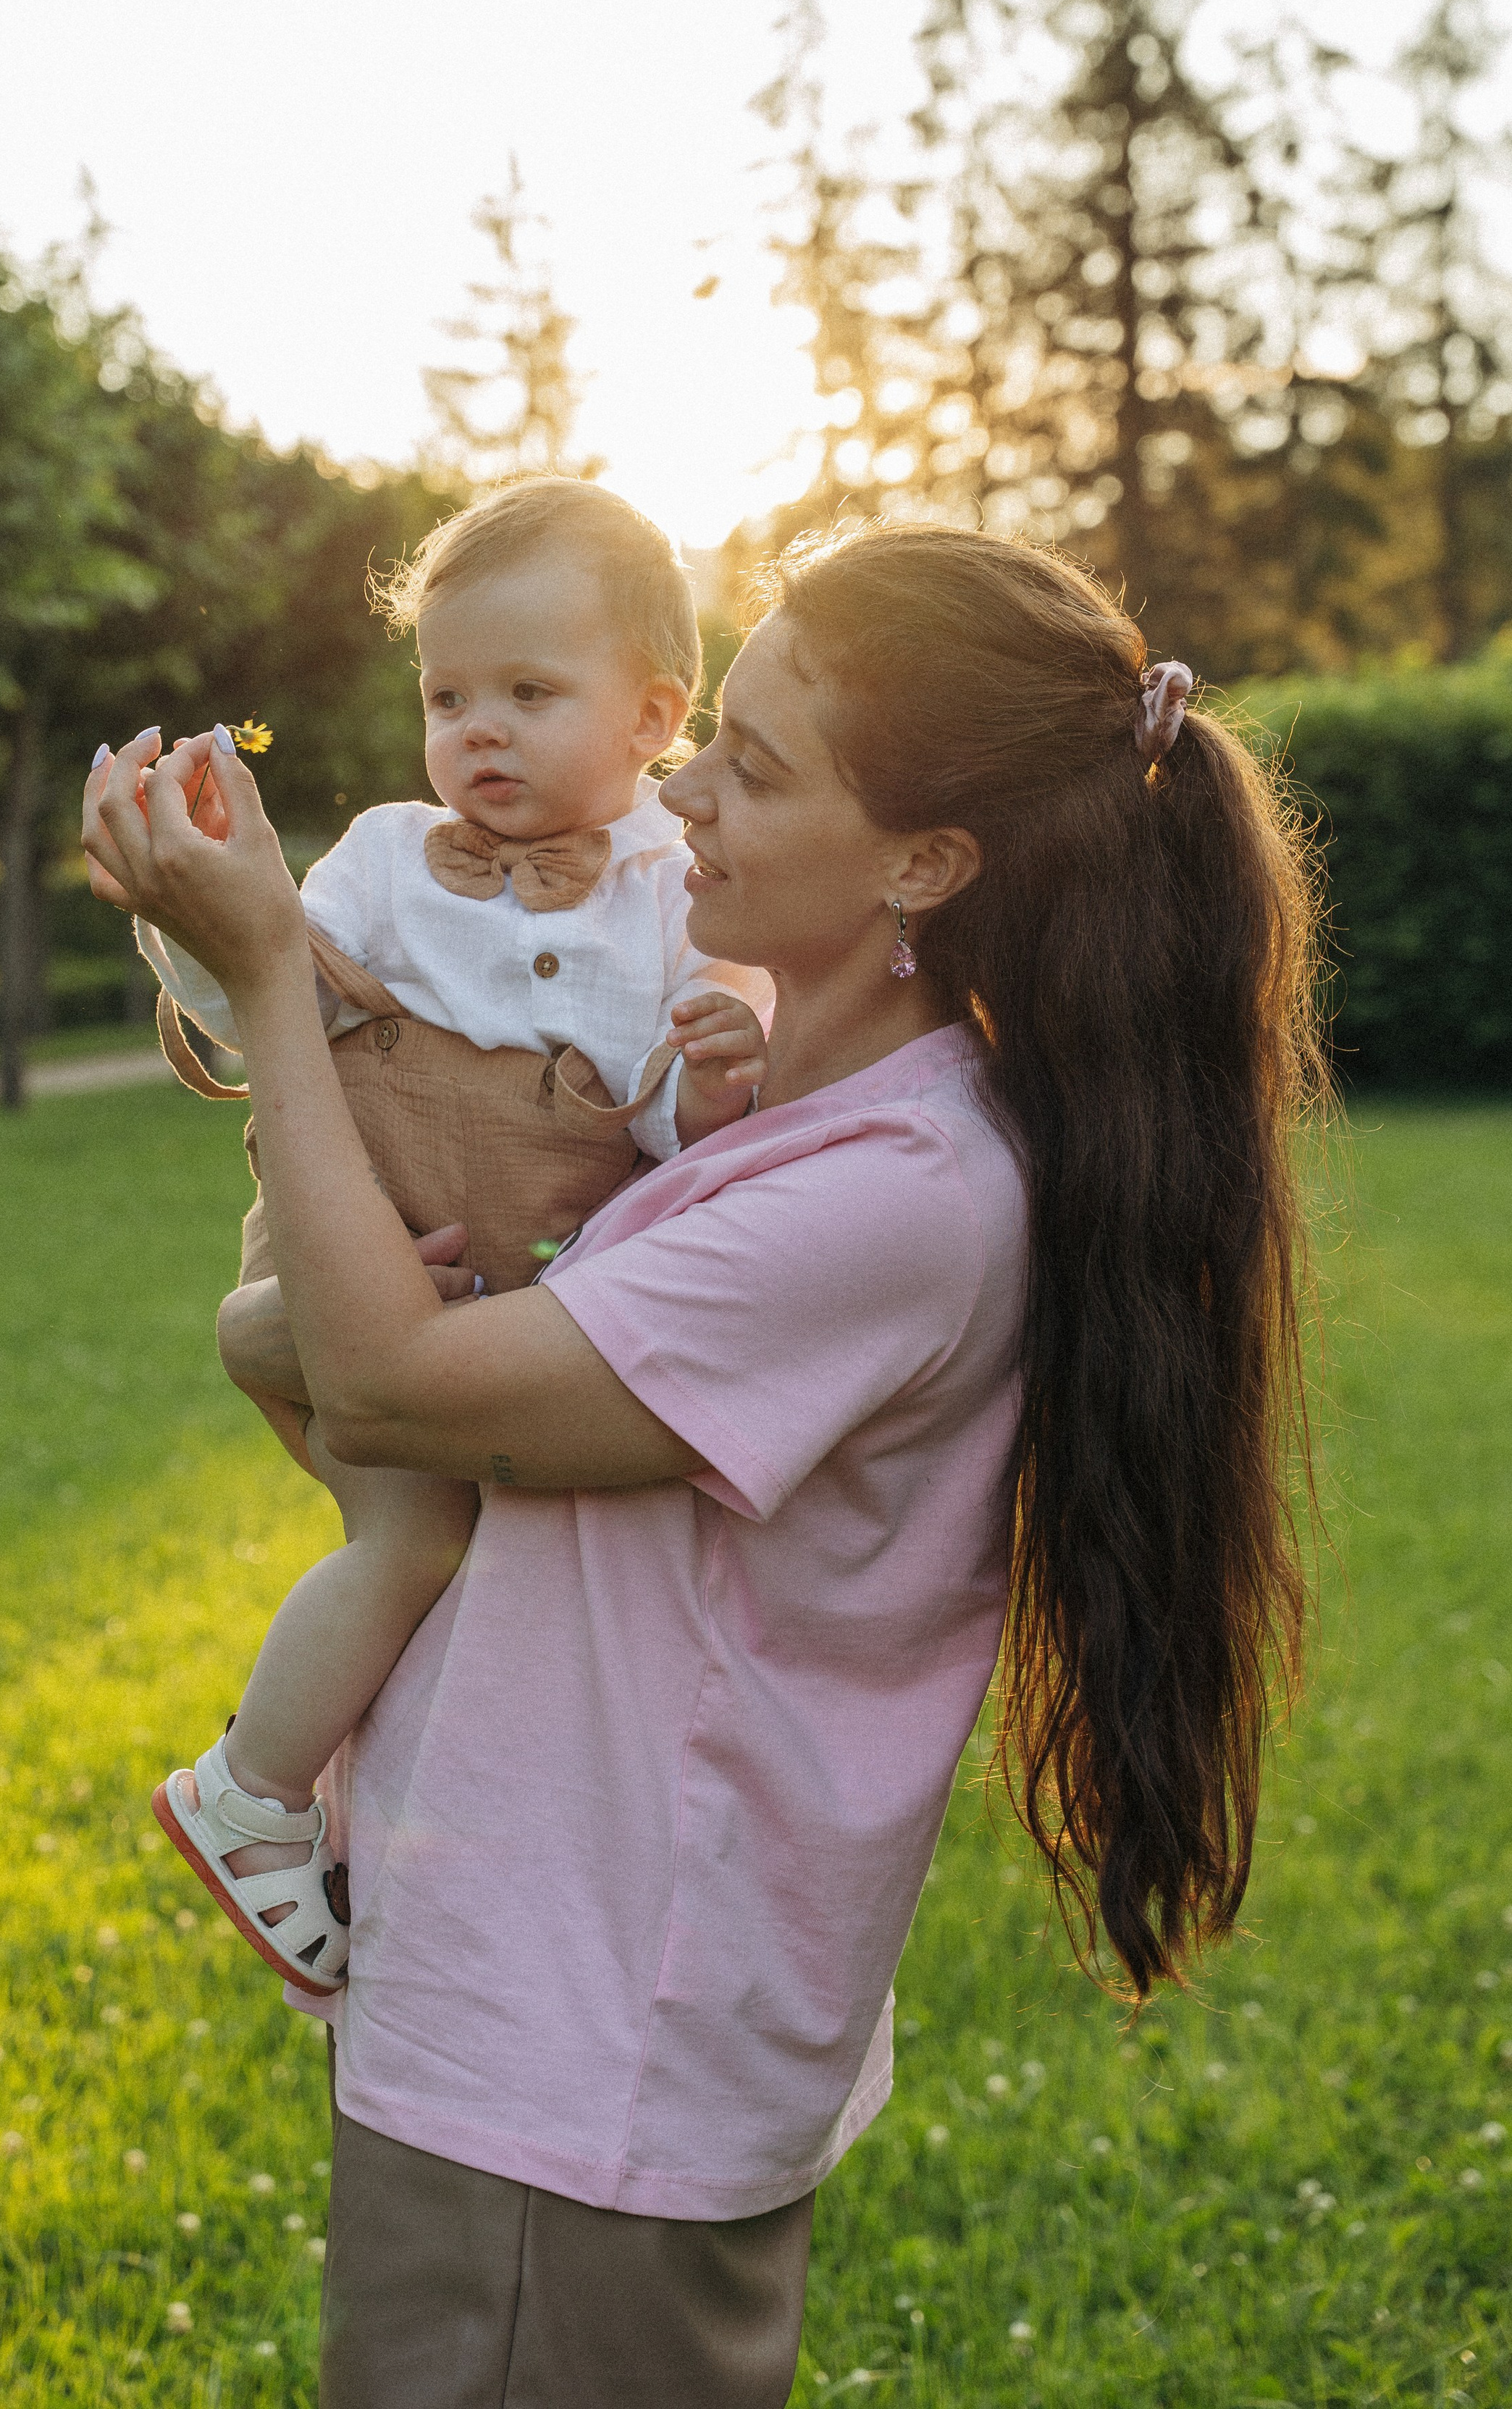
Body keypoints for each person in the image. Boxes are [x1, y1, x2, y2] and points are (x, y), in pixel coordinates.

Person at [83, 520, 1324, 2409]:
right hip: (553, 1992)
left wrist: (272, 978)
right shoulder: (782, 1125)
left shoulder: (894, 1194)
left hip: (586, 2050)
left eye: (748, 762)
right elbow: (430, 1432)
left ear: (924, 861)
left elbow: (406, 1392)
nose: (680, 790)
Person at [129, 481, 772, 1995]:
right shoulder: (378, 857)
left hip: (492, 1308)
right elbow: (252, 993)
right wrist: (181, 903)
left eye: (528, 694)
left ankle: (399, 1843)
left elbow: (671, 1149)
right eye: (446, 695)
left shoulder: (684, 904)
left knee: (459, 1566)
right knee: (417, 1538)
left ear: (652, 714)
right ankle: (251, 1796)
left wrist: (720, 1078)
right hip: (339, 1260)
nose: (475, 728)